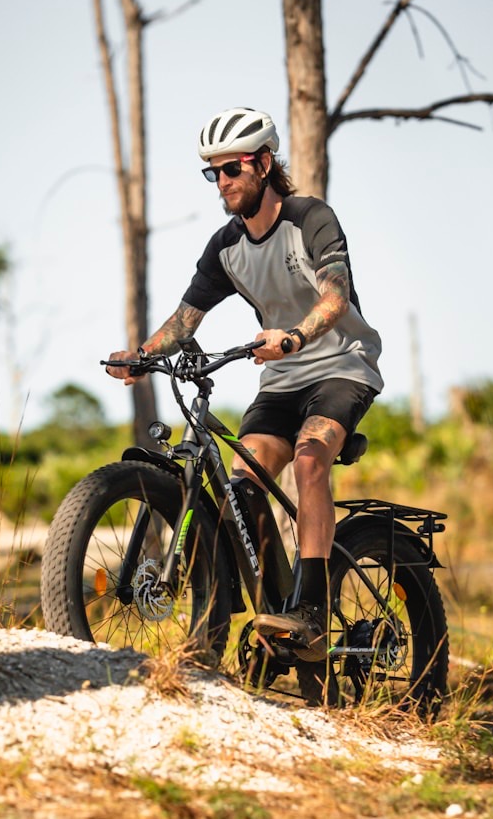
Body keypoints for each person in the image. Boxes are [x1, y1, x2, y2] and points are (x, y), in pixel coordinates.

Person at [105, 107, 383, 663]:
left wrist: (295, 338)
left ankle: (310, 608)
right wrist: (142, 355)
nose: (222, 183)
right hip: (282, 379)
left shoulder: (310, 218)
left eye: (231, 169)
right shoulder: (226, 246)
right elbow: (185, 320)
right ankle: (272, 606)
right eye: (213, 173)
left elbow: (336, 296)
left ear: (262, 163)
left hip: (341, 365)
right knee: (243, 478)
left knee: (309, 459)